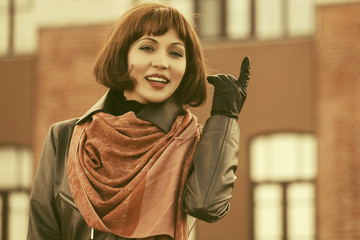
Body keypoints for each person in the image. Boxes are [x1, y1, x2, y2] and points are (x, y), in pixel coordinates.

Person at [27, 2, 250, 240]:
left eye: (175, 53)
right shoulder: (63, 138)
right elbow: (42, 232)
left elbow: (207, 206)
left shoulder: (190, 143)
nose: (162, 62)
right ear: (121, 54)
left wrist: (225, 116)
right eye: (147, 48)